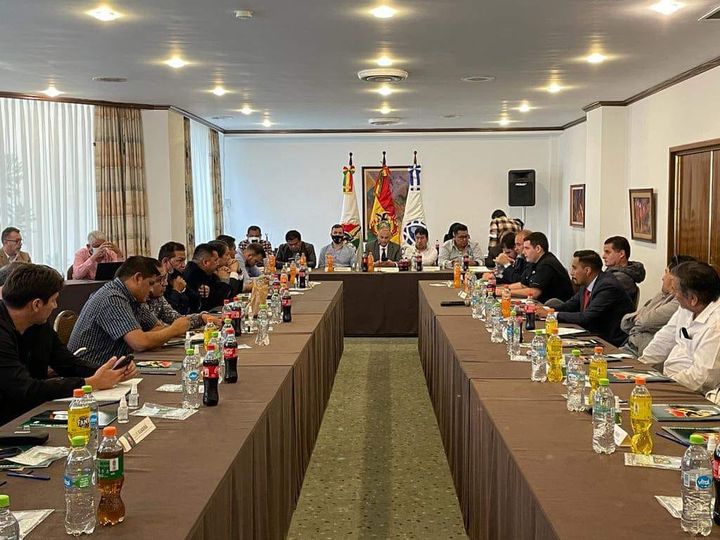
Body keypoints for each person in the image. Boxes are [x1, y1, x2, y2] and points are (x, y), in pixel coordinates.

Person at [0, 264, 138, 425]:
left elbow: (67, 363)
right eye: (53, 300)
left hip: (30, 410)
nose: (55, 306)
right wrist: (90, 383)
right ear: (36, 304)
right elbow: (25, 389)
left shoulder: (38, 324)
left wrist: (112, 371)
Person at [68, 256, 189, 368]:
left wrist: (148, 338)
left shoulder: (134, 298)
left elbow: (157, 327)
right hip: (90, 370)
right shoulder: (112, 297)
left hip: (113, 366)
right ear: (137, 278)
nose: (152, 289)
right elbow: (140, 343)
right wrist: (174, 329)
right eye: (150, 283)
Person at [639, 261, 720, 394]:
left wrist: (662, 386)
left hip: (696, 393)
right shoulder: (687, 308)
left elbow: (702, 378)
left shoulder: (716, 325)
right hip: (671, 382)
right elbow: (664, 338)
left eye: (675, 290)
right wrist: (640, 367)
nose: (672, 294)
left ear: (693, 299)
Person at [537, 250, 634, 346]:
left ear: (587, 271)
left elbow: (586, 317)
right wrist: (545, 310)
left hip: (608, 341)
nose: (571, 273)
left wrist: (552, 314)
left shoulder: (607, 286)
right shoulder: (586, 283)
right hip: (590, 334)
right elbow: (569, 305)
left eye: (574, 268)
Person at [621, 255, 696, 356]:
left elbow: (645, 321)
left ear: (674, 278)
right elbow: (625, 323)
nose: (662, 278)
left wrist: (641, 316)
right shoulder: (663, 294)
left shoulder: (679, 303)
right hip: (632, 346)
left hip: (641, 352)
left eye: (666, 272)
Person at [143, 263, 216, 329]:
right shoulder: (140, 302)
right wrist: (176, 291)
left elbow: (175, 318)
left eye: (165, 278)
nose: (165, 283)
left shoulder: (158, 297)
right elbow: (154, 329)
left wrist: (201, 317)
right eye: (159, 280)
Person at [508, 232, 573, 303]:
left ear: (538, 249)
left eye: (527, 248)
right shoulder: (534, 261)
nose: (523, 252)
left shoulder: (546, 264)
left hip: (556, 307)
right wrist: (505, 289)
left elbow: (534, 293)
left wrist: (507, 292)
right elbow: (523, 284)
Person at [183, 244, 240, 311]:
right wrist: (227, 277)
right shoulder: (194, 276)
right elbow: (227, 296)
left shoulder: (207, 272)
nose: (218, 263)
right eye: (215, 260)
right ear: (205, 262)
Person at [602, 236, 646, 305]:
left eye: (607, 252)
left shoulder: (622, 279)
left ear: (621, 254)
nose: (603, 256)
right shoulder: (613, 272)